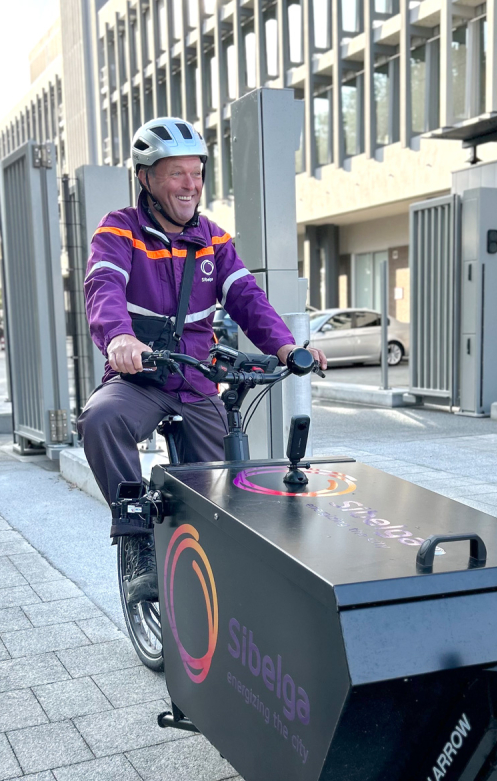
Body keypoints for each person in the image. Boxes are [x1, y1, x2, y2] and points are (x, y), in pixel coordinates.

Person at [80, 116, 325, 601]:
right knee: (100, 419)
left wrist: (286, 346)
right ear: (146, 178)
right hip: (140, 377)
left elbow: (247, 297)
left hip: (194, 382)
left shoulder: (213, 238)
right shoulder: (120, 229)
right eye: (176, 173)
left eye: (196, 172)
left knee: (233, 487)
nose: (190, 185)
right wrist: (119, 339)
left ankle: (224, 573)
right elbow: (102, 285)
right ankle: (138, 542)